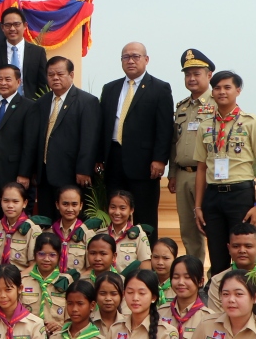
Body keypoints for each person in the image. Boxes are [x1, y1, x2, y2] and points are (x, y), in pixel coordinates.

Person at [194, 71, 256, 276]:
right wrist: (198, 206)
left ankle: (249, 298)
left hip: (240, 194)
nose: (222, 92)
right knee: (217, 256)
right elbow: (201, 168)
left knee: (243, 253)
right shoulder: (205, 125)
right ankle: (219, 299)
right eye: (217, 88)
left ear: (238, 90)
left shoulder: (250, 122)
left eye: (227, 87)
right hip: (213, 196)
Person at [98, 42, 174, 236]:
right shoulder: (110, 88)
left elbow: (165, 128)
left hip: (145, 164)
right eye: (126, 57)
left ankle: (147, 262)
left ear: (146, 60)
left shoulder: (160, 88)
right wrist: (99, 158)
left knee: (145, 216)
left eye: (135, 56)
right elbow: (103, 126)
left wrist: (159, 159)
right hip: (114, 159)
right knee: (114, 212)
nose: (130, 60)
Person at [35, 57, 100, 218]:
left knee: (69, 221)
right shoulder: (41, 102)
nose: (55, 78)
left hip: (71, 174)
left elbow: (89, 139)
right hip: (44, 174)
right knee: (46, 220)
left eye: (60, 74)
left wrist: (84, 169)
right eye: (51, 74)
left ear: (71, 75)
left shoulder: (86, 102)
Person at [170, 49, 216, 263]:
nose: (191, 78)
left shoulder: (218, 104)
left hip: (208, 175)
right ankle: (195, 277)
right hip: (183, 175)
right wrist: (172, 174)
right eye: (187, 74)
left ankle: (216, 277)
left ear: (209, 75)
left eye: (197, 73)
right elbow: (174, 142)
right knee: (189, 230)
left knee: (212, 228)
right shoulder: (181, 107)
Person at [206, 224, 256, 339]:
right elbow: (215, 321)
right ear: (229, 248)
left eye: (248, 246)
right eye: (236, 246)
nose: (242, 250)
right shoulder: (217, 281)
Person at [0, 64, 39, 218]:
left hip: (15, 171)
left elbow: (30, 143)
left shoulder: (29, 107)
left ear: (18, 82)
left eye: (8, 79)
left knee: (17, 213)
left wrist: (24, 173)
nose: (3, 83)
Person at [0, 7, 46, 98]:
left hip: (30, 105)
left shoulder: (38, 52)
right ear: (2, 28)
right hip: (1, 104)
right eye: (8, 25)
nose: (12, 28)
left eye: (16, 24)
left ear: (25, 26)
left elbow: (43, 85)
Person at [21, 233, 78, 333]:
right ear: (34, 255)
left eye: (52, 255)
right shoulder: (23, 281)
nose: (46, 259)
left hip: (58, 337)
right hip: (28, 335)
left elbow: (73, 316)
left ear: (59, 257)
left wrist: (61, 327)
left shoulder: (67, 281)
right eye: (41, 254)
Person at [0, 181, 44, 269]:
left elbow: (34, 266)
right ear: (0, 201)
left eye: (15, 201)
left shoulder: (33, 229)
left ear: (24, 203)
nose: (10, 205)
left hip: (22, 279)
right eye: (6, 201)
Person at [50, 184, 99, 274]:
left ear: (80, 206)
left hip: (78, 285)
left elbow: (92, 268)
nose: (70, 209)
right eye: (65, 204)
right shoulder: (50, 232)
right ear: (57, 205)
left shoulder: (88, 234)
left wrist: (71, 281)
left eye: (74, 204)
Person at [105, 190, 152, 275]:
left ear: (131, 210)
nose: (117, 212)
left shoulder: (139, 235)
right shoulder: (100, 234)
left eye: (122, 208)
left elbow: (146, 270)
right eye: (113, 207)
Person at [151, 237, 179, 306]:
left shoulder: (180, 284)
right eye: (156, 257)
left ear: (175, 259)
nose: (160, 262)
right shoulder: (146, 282)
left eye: (166, 258)